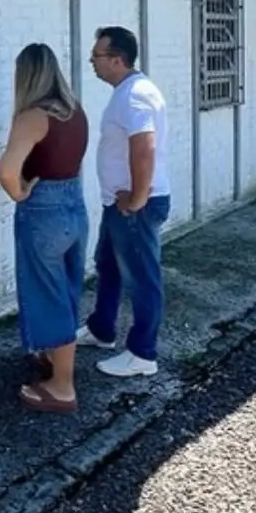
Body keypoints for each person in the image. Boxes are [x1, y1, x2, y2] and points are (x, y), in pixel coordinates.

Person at [0, 43, 90, 414]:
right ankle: (55, 360)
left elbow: (6, 171)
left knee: (47, 294)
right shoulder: (76, 112)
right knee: (66, 290)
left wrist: (20, 193)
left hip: (44, 211)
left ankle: (62, 388)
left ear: (27, 76)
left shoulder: (33, 117)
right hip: (74, 206)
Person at [79, 25, 171, 377]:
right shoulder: (128, 91)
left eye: (97, 56)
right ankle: (102, 329)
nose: (92, 61)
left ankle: (142, 354)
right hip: (120, 204)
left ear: (117, 59)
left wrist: (136, 199)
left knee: (142, 277)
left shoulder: (135, 95)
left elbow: (143, 148)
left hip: (135, 207)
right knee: (109, 266)